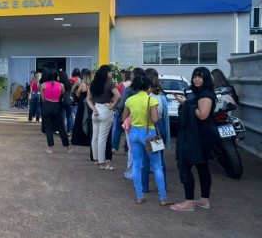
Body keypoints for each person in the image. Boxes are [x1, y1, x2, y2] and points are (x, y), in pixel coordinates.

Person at [172, 67, 218, 212]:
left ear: (206, 78)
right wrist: (185, 103)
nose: (197, 79)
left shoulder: (206, 94)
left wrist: (186, 104)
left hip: (199, 136)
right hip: (199, 135)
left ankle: (189, 202)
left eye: (200, 77)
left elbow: (202, 115)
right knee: (202, 166)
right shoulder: (198, 92)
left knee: (185, 164)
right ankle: (204, 200)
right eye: (195, 76)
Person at [123, 75, 173, 206]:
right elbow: (155, 119)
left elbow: (124, 117)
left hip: (134, 133)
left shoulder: (130, 100)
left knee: (137, 165)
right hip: (149, 133)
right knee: (157, 166)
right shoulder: (151, 100)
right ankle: (163, 198)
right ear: (149, 87)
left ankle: (140, 196)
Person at [86, 64, 121, 170]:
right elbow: (118, 96)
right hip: (105, 110)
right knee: (102, 139)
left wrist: (94, 109)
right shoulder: (109, 83)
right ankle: (103, 163)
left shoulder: (93, 83)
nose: (111, 74)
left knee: (95, 137)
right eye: (110, 72)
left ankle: (96, 160)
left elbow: (88, 99)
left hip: (96, 110)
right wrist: (112, 106)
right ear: (107, 73)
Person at [40, 69, 70, 153]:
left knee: (48, 128)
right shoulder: (61, 85)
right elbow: (63, 96)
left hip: (47, 105)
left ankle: (51, 148)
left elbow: (43, 99)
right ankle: (67, 148)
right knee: (61, 128)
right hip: (57, 106)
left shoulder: (43, 85)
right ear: (57, 76)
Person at [71, 69, 92, 148]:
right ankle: (87, 139)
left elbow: (77, 94)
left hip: (82, 105)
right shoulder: (92, 84)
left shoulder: (83, 84)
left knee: (80, 121)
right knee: (88, 121)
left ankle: (79, 139)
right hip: (90, 105)